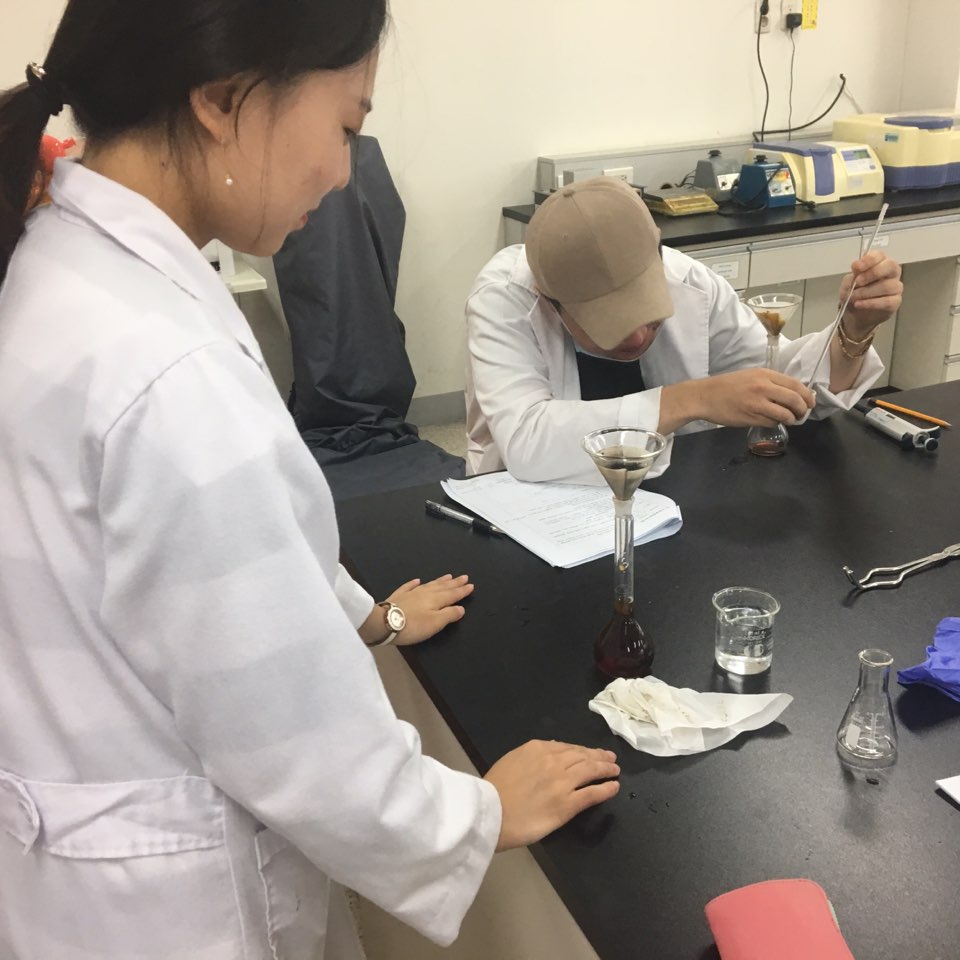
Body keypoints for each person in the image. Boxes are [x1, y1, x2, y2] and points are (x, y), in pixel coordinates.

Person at [0, 3, 620, 958]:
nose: (341, 173)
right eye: (345, 126)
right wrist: (477, 812)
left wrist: (358, 615)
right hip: (172, 917)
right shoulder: (169, 373)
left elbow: (179, 572)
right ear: (222, 100)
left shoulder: (63, 267)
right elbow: (300, 746)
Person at [465, 176, 904, 482]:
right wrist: (695, 399)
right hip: (530, 508)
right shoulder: (505, 299)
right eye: (610, 326)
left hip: (668, 501)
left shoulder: (690, 281)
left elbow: (786, 387)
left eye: (648, 313)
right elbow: (528, 443)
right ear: (550, 302)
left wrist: (853, 330)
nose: (637, 338)